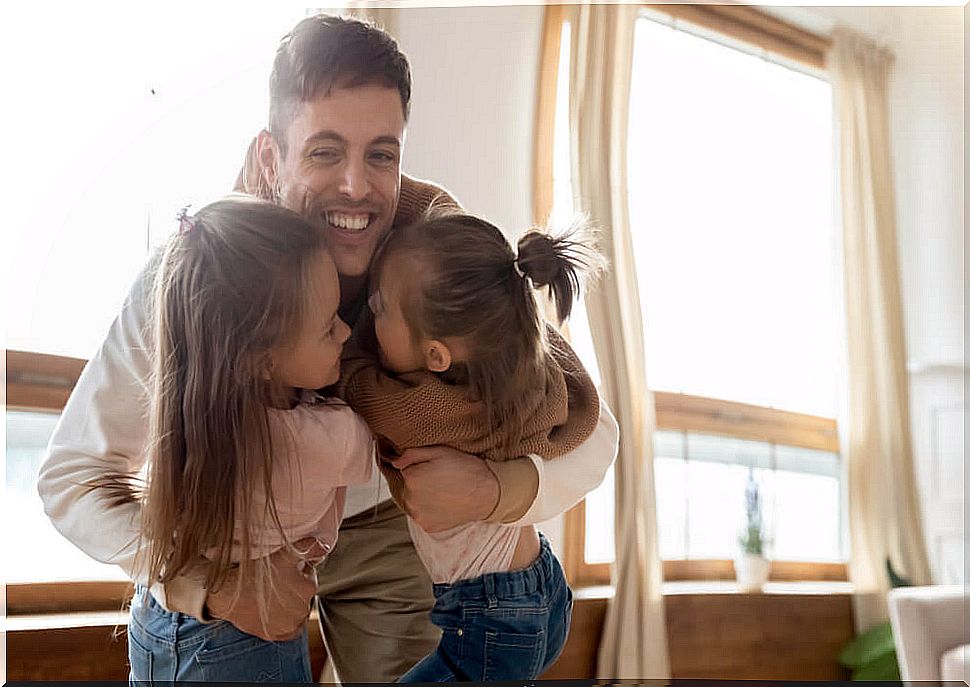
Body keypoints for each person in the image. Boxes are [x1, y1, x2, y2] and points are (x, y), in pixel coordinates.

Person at [38, 13, 619, 683]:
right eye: (323, 150)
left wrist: (495, 488)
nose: (355, 186)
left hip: (395, 528)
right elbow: (70, 478)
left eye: (381, 153)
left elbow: (592, 429)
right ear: (268, 158)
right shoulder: (203, 275)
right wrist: (207, 582)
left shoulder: (434, 253)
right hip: (237, 545)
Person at [106, 197, 371, 681]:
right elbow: (381, 439)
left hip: (155, 617)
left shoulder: (190, 419)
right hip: (245, 639)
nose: (346, 331)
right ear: (262, 357)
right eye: (328, 325)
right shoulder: (325, 439)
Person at [340, 211, 603, 681]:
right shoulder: (521, 383)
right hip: (542, 585)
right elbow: (585, 403)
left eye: (379, 308)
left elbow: (356, 382)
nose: (369, 313)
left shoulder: (421, 414)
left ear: (436, 356)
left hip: (490, 616)